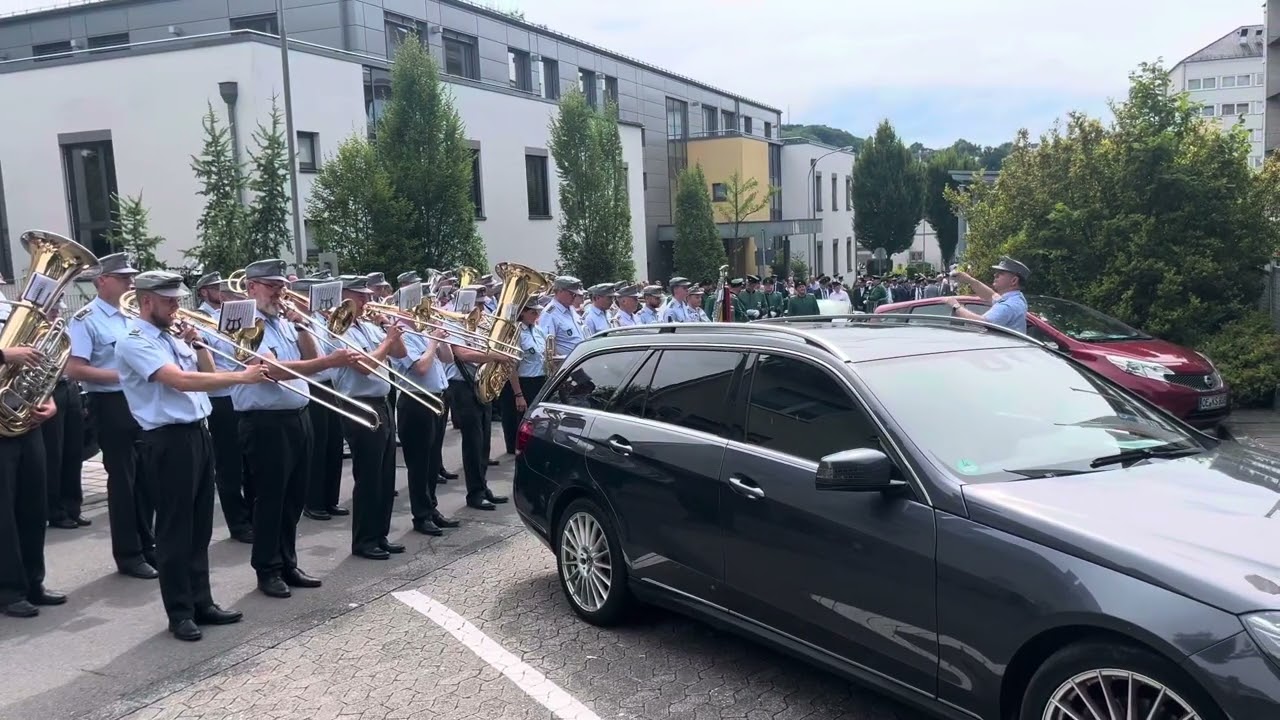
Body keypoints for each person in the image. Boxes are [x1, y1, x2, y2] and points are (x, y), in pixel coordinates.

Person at [116, 271, 271, 641]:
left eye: (178, 300)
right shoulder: (134, 340)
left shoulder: (173, 335)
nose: (176, 307)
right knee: (174, 530)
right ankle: (180, 611)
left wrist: (199, 344)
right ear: (147, 301)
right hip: (166, 440)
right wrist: (243, 379)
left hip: (196, 433)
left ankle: (203, 602)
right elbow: (180, 381)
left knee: (200, 526)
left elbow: (207, 372)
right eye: (169, 301)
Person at [233, 259, 361, 598]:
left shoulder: (284, 321)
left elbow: (312, 362)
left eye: (281, 285)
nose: (280, 292)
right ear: (251, 288)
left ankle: (287, 562)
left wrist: (303, 325)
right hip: (264, 422)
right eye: (271, 286)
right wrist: (330, 361)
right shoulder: (244, 324)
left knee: (293, 497)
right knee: (270, 498)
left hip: (296, 415)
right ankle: (267, 569)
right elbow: (272, 370)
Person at [65, 253, 156, 579]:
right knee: (124, 481)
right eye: (122, 277)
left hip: (139, 402)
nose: (130, 282)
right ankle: (129, 555)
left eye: (131, 276)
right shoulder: (85, 319)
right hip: (111, 406)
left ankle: (149, 545)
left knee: (146, 478)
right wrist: (126, 375)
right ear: (102, 280)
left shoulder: (130, 315)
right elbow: (75, 368)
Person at [331, 276, 405, 560]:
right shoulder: (340, 329)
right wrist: (386, 342)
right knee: (369, 476)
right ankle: (364, 540)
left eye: (366, 296)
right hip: (359, 404)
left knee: (386, 475)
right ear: (344, 297)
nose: (366, 301)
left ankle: (380, 534)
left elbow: (400, 353)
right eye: (359, 296)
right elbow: (364, 367)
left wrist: (391, 333)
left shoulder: (369, 326)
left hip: (381, 402)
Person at [0, 341, 64, 619]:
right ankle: (9, 590)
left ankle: (33, 582)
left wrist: (48, 402)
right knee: (3, 515)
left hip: (25, 423)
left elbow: (36, 371)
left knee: (34, 507)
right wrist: (3, 355)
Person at [193, 273, 254, 543]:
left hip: (245, 391)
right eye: (218, 289)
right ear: (204, 293)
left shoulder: (236, 313)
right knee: (229, 463)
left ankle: (252, 514)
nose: (225, 292)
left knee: (250, 461)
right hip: (221, 397)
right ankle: (237, 523)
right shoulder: (198, 319)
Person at [443, 288, 515, 511]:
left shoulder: (479, 322)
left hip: (479, 382)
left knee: (484, 440)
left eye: (483, 304)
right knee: (473, 441)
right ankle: (474, 493)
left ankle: (482, 487)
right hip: (462, 386)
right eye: (478, 304)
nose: (482, 309)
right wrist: (497, 356)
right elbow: (463, 354)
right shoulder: (452, 323)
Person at [392, 318, 457, 536]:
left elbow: (448, 359)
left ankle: (431, 508)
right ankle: (421, 515)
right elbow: (420, 367)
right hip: (416, 401)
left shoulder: (422, 332)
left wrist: (442, 340)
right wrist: (432, 343)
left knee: (432, 461)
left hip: (435, 399)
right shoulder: (403, 335)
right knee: (419, 464)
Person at [43, 300, 87, 531]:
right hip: (49, 390)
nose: (56, 311)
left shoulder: (63, 328)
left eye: (58, 307)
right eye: (51, 308)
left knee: (73, 450)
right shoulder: (36, 329)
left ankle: (73, 507)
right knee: (55, 452)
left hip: (70, 387)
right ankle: (55, 510)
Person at [499, 297, 548, 455]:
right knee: (519, 420)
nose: (536, 315)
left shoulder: (538, 330)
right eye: (533, 312)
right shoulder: (515, 333)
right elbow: (511, 365)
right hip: (522, 381)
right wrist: (518, 394)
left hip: (539, 379)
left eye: (538, 312)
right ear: (523, 313)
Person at [946, 256, 1030, 334]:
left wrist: (956, 306)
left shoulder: (1009, 305)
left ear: (1014, 281)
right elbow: (991, 296)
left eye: (1000, 273)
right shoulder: (1015, 298)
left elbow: (981, 323)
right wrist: (970, 280)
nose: (995, 275)